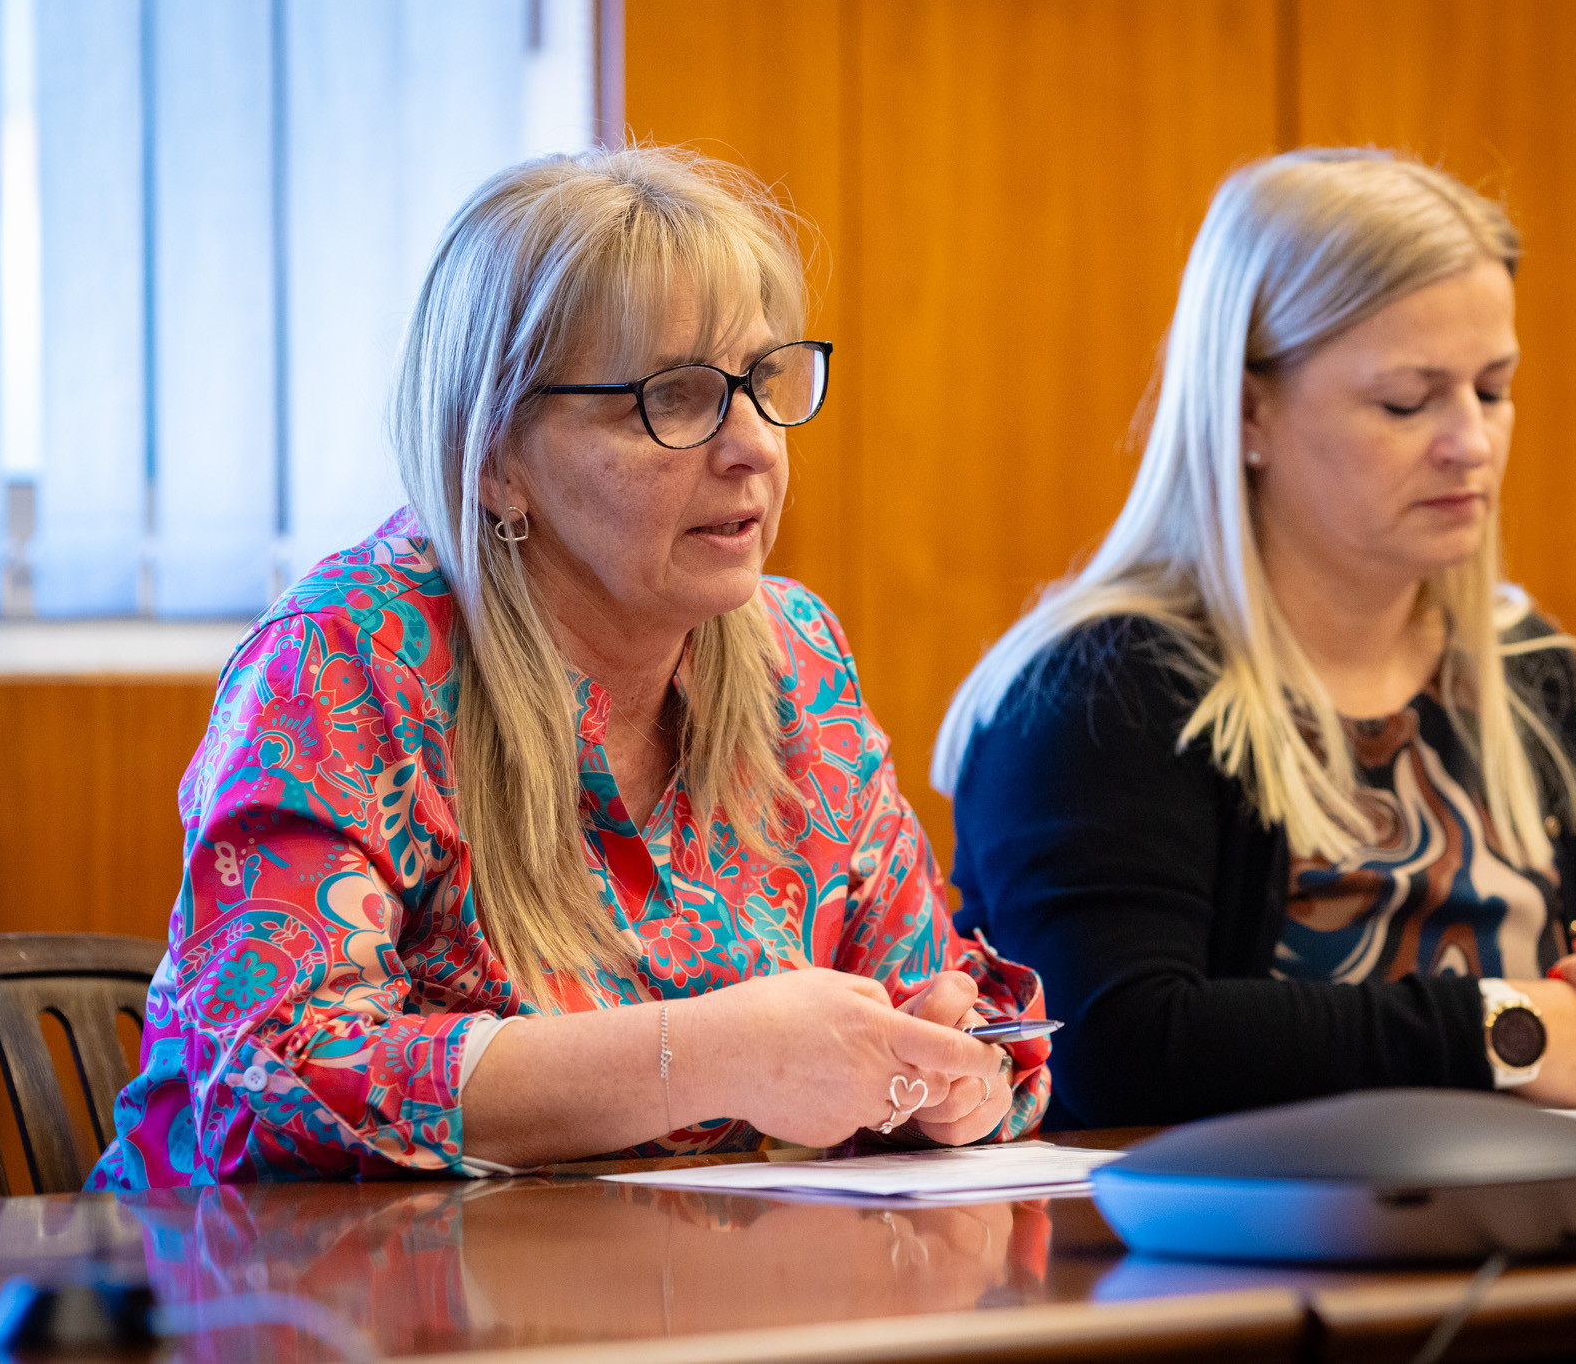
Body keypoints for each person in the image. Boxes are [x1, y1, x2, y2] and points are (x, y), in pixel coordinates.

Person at [88, 146, 1048, 1188]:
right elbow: (274, 1074)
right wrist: (711, 1056)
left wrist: (944, 1075)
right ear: (498, 458)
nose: (757, 447)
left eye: (764, 383)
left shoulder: (795, 654)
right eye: (674, 399)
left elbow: (934, 996)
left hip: (658, 1273)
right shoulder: (347, 660)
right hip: (264, 1279)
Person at [934, 149, 1576, 1130]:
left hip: (1535, 1208)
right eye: (1406, 401)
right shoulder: (1100, 689)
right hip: (1210, 1228)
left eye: (1493, 389)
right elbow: (1112, 1047)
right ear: (1248, 410)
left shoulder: (1527, 674)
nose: (1470, 443)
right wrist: (1500, 1031)